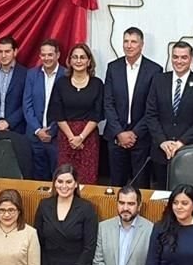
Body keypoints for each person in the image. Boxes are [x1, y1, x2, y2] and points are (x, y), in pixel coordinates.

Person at [143, 41, 193, 189]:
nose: (179, 61)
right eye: (175, 57)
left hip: (190, 151)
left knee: (187, 194)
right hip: (161, 151)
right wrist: (162, 142)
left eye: (184, 57)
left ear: (191, 59)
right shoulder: (158, 80)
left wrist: (181, 143)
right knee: (161, 195)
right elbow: (150, 114)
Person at [103, 27, 163, 188]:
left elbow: (152, 108)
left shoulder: (154, 70)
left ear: (141, 45)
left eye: (133, 42)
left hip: (141, 138)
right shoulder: (112, 68)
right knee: (116, 185)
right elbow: (108, 103)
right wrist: (120, 133)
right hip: (116, 137)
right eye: (126, 41)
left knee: (141, 186)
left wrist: (134, 133)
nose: (129, 45)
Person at [48, 43, 104, 184]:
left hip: (88, 139)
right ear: (70, 61)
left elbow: (97, 114)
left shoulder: (97, 84)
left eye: (82, 57)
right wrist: (72, 137)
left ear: (89, 61)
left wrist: (81, 137)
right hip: (66, 137)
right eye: (75, 57)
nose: (78, 61)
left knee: (87, 179)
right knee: (65, 179)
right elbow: (58, 112)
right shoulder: (61, 83)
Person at [23, 39, 66, 180]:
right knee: (37, 178)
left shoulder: (66, 75)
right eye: (43, 55)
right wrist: (37, 130)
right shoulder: (31, 74)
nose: (46, 58)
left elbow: (66, 108)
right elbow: (27, 104)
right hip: (34, 136)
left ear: (58, 55)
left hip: (57, 136)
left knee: (58, 176)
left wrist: (51, 131)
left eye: (50, 54)